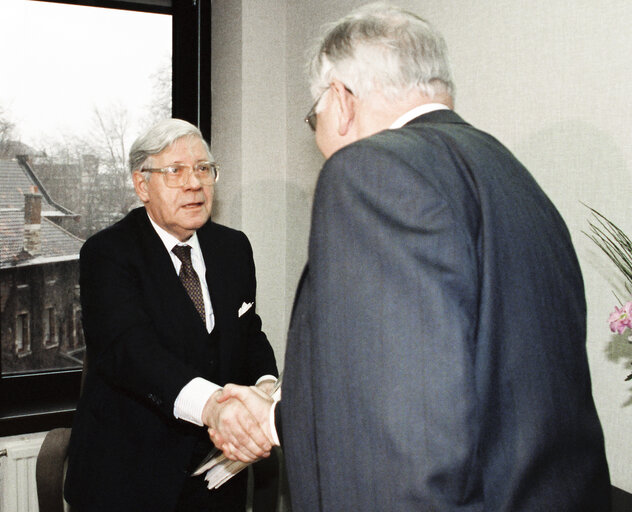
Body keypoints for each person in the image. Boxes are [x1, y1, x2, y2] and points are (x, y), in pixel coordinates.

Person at [214, 3, 611, 511]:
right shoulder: (518, 183)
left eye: (314, 116)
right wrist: (277, 417)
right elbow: (451, 382)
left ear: (341, 100)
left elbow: (407, 441)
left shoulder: (372, 172)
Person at [64, 118, 278, 512]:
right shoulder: (108, 254)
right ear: (142, 185)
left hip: (216, 479)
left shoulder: (233, 247)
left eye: (203, 169)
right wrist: (215, 406)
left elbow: (248, 333)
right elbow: (132, 352)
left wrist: (266, 389)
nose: (194, 183)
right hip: (129, 480)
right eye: (175, 171)